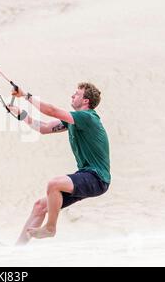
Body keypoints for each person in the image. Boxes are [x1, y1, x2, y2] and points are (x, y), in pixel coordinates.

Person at [8, 82, 111, 245]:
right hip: (86, 175)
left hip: (97, 178)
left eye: (76, 94)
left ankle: (50, 227)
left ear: (85, 101)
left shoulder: (87, 117)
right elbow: (44, 127)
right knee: (40, 206)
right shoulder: (73, 121)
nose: (72, 96)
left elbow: (52, 111)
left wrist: (25, 96)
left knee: (54, 184)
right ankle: (17, 248)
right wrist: (21, 113)